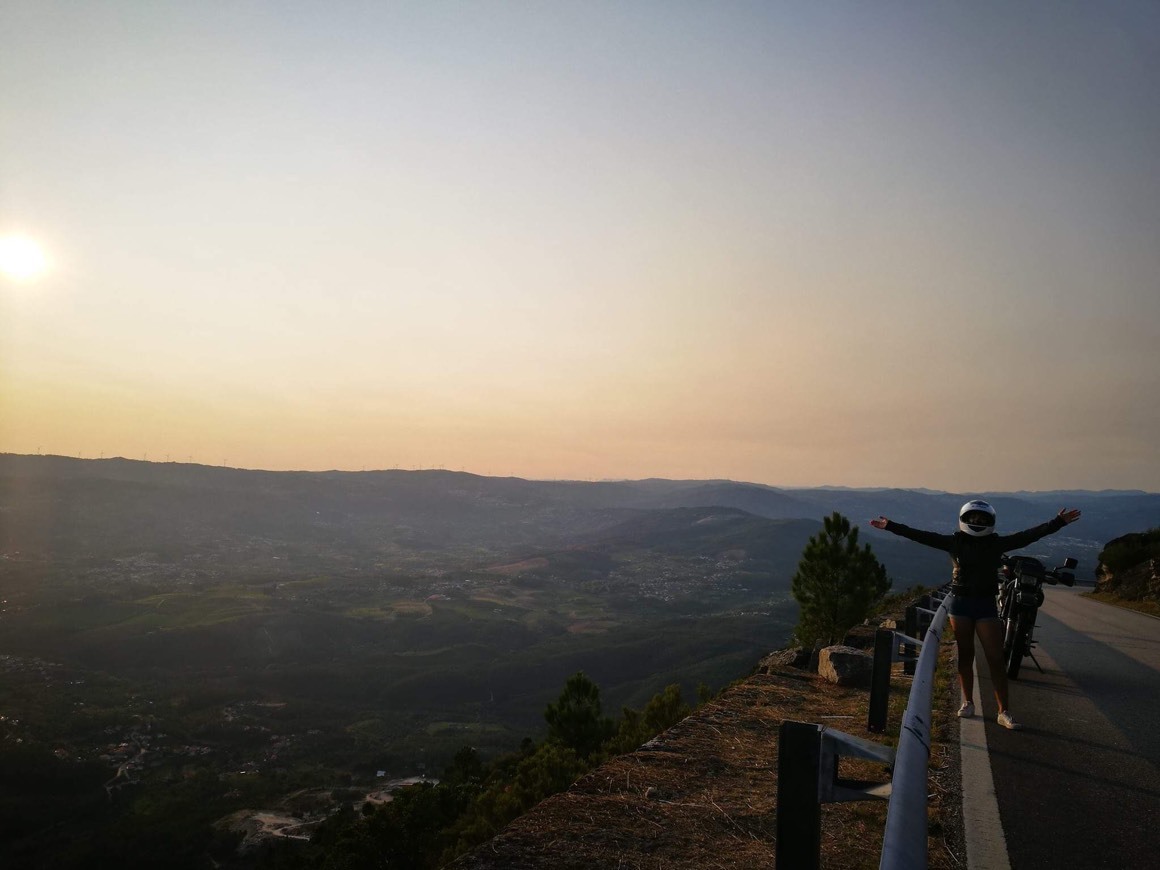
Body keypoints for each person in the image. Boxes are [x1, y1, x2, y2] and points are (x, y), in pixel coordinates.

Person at [869, 501, 1081, 730]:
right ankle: (968, 702)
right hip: (960, 605)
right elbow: (920, 535)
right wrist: (890, 526)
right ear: (964, 519)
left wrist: (1058, 522)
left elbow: (1029, 535)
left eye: (982, 520)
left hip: (983, 606)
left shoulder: (994, 543)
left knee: (996, 659)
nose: (977, 523)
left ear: (990, 522)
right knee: (965, 656)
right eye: (974, 519)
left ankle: (1003, 711)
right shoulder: (956, 541)